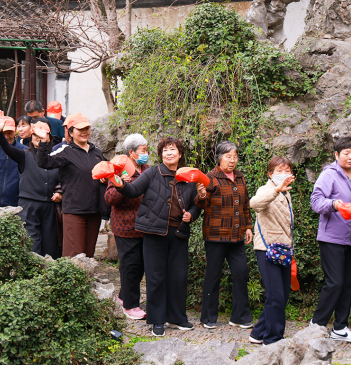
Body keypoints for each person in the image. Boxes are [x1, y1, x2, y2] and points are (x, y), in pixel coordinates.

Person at [112, 137, 209, 337]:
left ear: (180, 154)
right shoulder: (151, 173)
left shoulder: (189, 176)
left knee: (179, 277)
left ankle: (177, 317)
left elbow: (196, 204)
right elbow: (133, 190)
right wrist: (120, 185)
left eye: (173, 150)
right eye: (165, 151)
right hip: (153, 233)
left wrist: (193, 211)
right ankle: (157, 320)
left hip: (179, 233)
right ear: (161, 155)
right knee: (156, 277)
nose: (169, 153)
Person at [310, 138, 351, 343]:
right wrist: (335, 204)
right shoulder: (330, 174)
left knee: (347, 284)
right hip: (332, 238)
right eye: (345, 153)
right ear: (336, 155)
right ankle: (317, 325)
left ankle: (340, 328)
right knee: (335, 282)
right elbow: (316, 201)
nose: (350, 156)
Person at [36, 112, 107, 258]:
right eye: (80, 129)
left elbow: (106, 172)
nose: (84, 132)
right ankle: (70, 281)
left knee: (89, 255)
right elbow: (45, 162)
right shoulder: (66, 151)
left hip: (95, 211)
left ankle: (87, 281)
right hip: (75, 211)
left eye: (86, 128)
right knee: (74, 255)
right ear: (71, 132)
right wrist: (43, 142)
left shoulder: (97, 152)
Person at [200, 142, 254, 330]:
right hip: (215, 236)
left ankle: (239, 316)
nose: (232, 160)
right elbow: (199, 203)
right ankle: (208, 317)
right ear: (218, 158)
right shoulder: (211, 178)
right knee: (213, 275)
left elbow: (245, 204)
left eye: (235, 156)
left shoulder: (239, 177)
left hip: (237, 236)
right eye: (228, 156)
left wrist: (248, 226)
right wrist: (200, 195)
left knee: (241, 273)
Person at [0, 111, 62, 258]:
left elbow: (64, 179)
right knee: (32, 244)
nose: (39, 138)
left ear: (49, 137)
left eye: (43, 135)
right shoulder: (24, 155)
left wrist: (60, 191)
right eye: (35, 135)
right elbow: (7, 148)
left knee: (51, 245)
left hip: (49, 206)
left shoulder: (56, 157)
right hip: (29, 205)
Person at [249, 156, 296, 345]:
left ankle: (258, 333)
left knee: (282, 296)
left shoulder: (287, 193)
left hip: (283, 249)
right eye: (279, 171)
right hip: (267, 248)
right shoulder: (266, 189)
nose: (283, 175)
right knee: (275, 295)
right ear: (270, 174)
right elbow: (255, 204)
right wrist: (276, 189)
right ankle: (273, 339)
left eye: (287, 171)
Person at [104, 133, 150, 320]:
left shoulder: (147, 169)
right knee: (130, 265)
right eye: (143, 150)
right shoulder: (119, 169)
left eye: (147, 150)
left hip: (144, 226)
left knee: (140, 266)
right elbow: (109, 199)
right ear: (131, 153)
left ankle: (124, 296)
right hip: (125, 226)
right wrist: (121, 186)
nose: (146, 154)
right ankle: (131, 306)